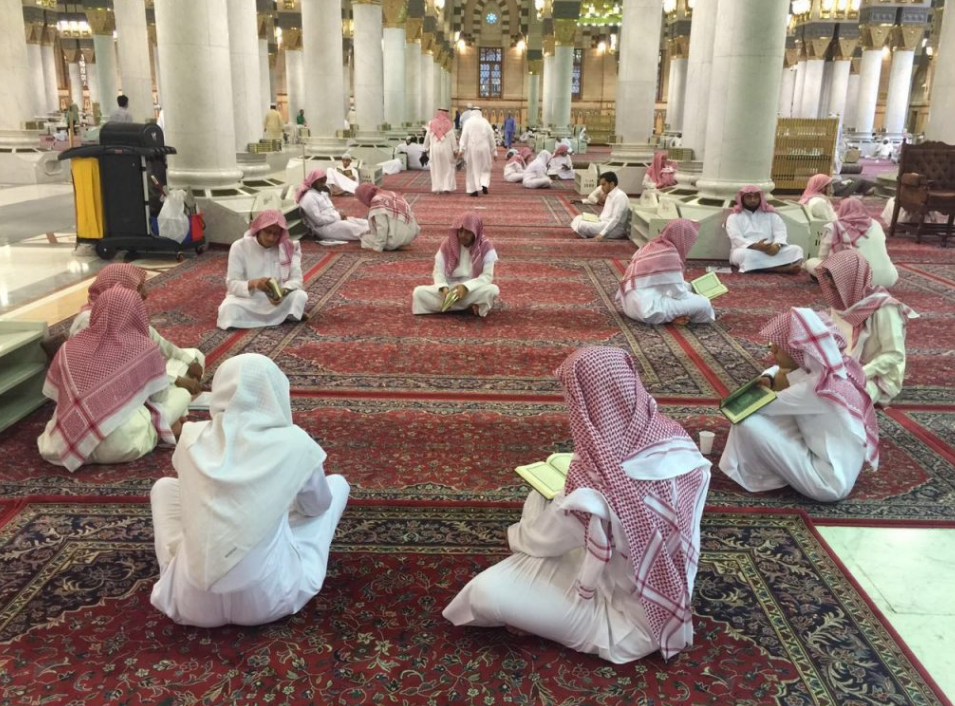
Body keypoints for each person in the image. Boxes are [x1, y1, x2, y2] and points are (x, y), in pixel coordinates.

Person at [443, 346, 711, 664]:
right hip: (666, 595)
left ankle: (542, 617)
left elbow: (536, 542)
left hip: (628, 626)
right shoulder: (679, 445)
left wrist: (531, 515)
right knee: (571, 530)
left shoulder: (594, 487)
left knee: (483, 593)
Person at [149, 354, 350, 627]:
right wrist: (277, 498)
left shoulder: (190, 437)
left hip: (190, 604)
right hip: (267, 599)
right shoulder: (295, 443)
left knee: (164, 487)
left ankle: (175, 572)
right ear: (275, 391)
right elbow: (316, 506)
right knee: (337, 486)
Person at [719, 307, 879, 502]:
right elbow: (776, 369)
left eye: (780, 346)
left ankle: (759, 473)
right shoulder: (833, 372)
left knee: (747, 422)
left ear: (799, 351)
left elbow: (756, 405)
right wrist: (769, 377)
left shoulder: (814, 390)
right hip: (835, 466)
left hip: (827, 482)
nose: (773, 350)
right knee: (779, 416)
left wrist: (768, 383)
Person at [38, 288, 190, 471]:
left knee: (60, 416)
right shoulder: (144, 347)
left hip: (61, 448)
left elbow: (58, 396)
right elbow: (160, 398)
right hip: (123, 445)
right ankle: (161, 432)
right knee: (182, 394)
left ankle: (161, 428)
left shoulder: (67, 348)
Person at [69, 264, 204, 396]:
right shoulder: (88, 321)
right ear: (119, 291)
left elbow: (156, 340)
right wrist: (176, 380)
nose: (145, 294)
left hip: (137, 375)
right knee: (177, 395)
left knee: (195, 355)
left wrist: (190, 361)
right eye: (138, 288)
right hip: (107, 390)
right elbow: (123, 368)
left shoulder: (122, 311)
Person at [816, 250, 917, 406]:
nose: (829, 283)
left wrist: (858, 374)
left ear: (850, 278)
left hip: (875, 375)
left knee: (838, 399)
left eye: (833, 277)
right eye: (828, 277)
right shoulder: (840, 303)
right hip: (843, 369)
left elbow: (894, 354)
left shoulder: (884, 308)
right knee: (803, 384)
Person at [216, 210, 309, 330]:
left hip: (278, 300)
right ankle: (287, 315)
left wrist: (282, 292)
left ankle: (282, 314)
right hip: (248, 300)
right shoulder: (239, 247)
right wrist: (253, 284)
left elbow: (297, 280)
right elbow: (232, 284)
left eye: (276, 234)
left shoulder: (288, 248)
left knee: (300, 296)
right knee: (228, 308)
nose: (271, 238)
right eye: (268, 232)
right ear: (259, 229)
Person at [616, 219, 715, 326]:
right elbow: (680, 294)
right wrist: (698, 295)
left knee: (682, 290)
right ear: (683, 239)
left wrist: (689, 287)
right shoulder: (669, 255)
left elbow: (663, 282)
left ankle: (675, 315)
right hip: (648, 312)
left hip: (629, 307)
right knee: (704, 303)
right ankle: (687, 317)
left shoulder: (651, 246)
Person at [412, 212, 499, 317]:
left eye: (468, 232)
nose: (463, 235)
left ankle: (451, 306)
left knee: (492, 290)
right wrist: (444, 288)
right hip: (450, 288)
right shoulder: (448, 245)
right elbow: (438, 272)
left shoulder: (485, 247)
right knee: (418, 292)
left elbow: (487, 277)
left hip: (472, 288)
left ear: (475, 232)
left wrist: (465, 287)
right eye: (460, 231)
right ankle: (467, 306)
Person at [805, 197, 898, 287]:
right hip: (887, 279)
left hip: (853, 283)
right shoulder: (876, 224)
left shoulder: (834, 227)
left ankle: (833, 282)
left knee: (810, 263)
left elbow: (823, 257)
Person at [726, 186, 803, 274]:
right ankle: (779, 269)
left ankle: (764, 266)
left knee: (797, 249)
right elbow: (735, 238)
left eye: (756, 196)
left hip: (771, 249)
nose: (753, 200)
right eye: (749, 197)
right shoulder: (734, 217)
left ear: (760, 198)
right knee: (746, 256)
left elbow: (781, 232)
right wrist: (756, 246)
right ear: (742, 199)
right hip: (747, 250)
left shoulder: (772, 215)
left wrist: (777, 246)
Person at [295, 169, 370, 242]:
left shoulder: (321, 193)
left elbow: (330, 209)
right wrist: (338, 216)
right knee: (353, 228)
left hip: (333, 221)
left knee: (361, 222)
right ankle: (374, 234)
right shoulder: (309, 197)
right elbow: (318, 220)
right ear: (313, 181)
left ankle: (374, 228)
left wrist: (339, 214)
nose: (323, 184)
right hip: (324, 228)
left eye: (324, 182)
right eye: (321, 182)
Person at [354, 183, 421, 252]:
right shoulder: (392, 194)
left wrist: (378, 247)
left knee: (364, 238)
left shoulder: (376, 200)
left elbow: (382, 226)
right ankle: (402, 243)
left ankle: (395, 244)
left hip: (394, 240)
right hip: (411, 235)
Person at [571, 171, 631, 240]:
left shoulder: (619, 196)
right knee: (578, 218)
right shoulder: (610, 194)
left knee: (581, 225)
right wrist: (595, 220)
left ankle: (588, 233)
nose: (601, 188)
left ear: (612, 184)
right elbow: (605, 214)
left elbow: (615, 219)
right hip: (603, 223)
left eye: (603, 185)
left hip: (614, 229)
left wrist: (602, 234)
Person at [458, 107, 496, 197]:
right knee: (485, 167)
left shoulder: (468, 122)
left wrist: (461, 149)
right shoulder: (485, 122)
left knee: (472, 168)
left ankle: (474, 190)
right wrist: (494, 151)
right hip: (484, 148)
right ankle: (484, 184)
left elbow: (464, 136)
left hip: (472, 147)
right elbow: (491, 137)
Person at [424, 108, 458, 193]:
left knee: (436, 169)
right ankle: (446, 187)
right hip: (446, 150)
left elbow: (427, 138)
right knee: (448, 168)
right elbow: (453, 139)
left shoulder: (431, 123)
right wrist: (455, 149)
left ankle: (437, 188)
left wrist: (425, 148)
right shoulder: (448, 124)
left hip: (434, 150)